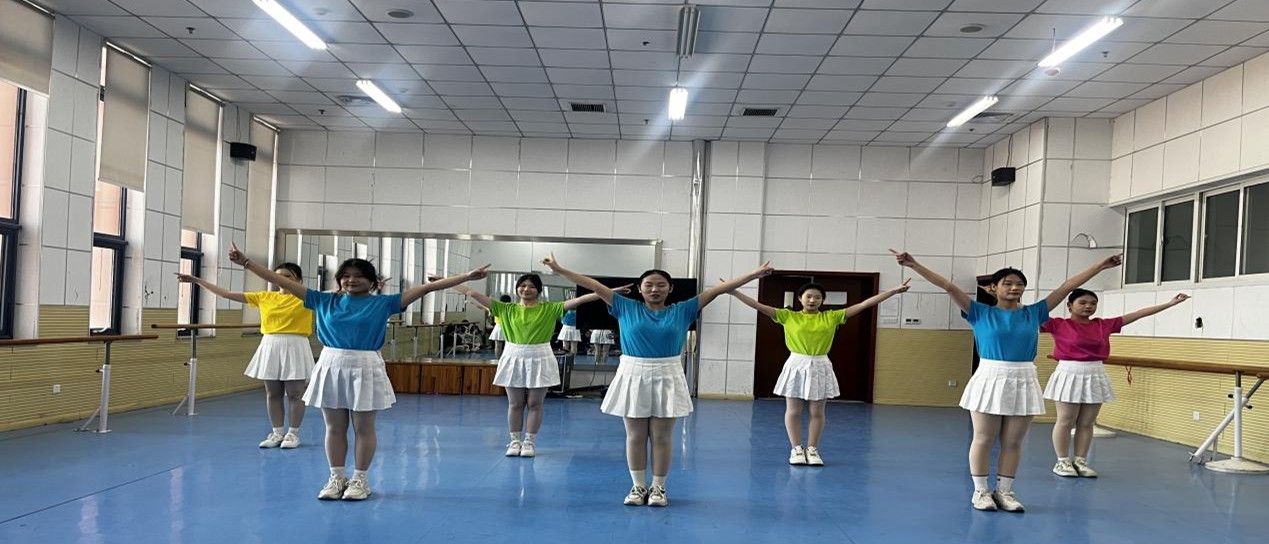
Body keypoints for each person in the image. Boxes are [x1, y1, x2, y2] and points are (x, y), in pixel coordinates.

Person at [228, 241, 488, 501]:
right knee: (334, 427)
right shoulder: (322, 300)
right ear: (339, 279)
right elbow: (277, 279)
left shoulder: (385, 303)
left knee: (363, 427)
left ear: (372, 281)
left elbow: (427, 288)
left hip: (366, 365)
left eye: (359, 276)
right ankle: (336, 477)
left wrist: (467, 277)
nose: (351, 280)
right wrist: (246, 263)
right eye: (346, 276)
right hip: (331, 364)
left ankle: (360, 479)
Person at [891, 248, 1121, 513]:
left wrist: (1100, 266)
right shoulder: (978, 312)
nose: (1014, 288)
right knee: (984, 438)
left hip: (1023, 377)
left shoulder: (1034, 312)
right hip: (990, 377)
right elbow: (948, 286)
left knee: (1013, 441)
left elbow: (1067, 286)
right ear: (993, 288)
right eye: (1008, 283)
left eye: (1020, 284)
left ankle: (1005, 491)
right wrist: (914, 264)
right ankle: (980, 491)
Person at [543, 252, 773, 507]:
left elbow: (719, 289)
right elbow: (593, 285)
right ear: (640, 289)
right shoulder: (624, 306)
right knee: (635, 436)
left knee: (662, 437)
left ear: (670, 289)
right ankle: (638, 486)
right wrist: (559, 270)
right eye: (649, 285)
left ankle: (658, 488)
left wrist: (754, 274)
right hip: (633, 373)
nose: (655, 289)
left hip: (668, 374)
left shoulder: (684, 309)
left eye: (661, 285)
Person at [725, 279, 911, 466]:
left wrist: (894, 291)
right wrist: (734, 292)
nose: (812, 300)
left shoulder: (832, 317)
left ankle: (812, 449)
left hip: (821, 364)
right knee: (794, 410)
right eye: (808, 296)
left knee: (817, 411)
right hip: (796, 364)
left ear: (822, 300)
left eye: (817, 297)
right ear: (800, 298)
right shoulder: (787, 316)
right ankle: (796, 449)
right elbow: (758, 305)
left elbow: (864, 304)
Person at [453, 277, 625, 458]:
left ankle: (529, 442)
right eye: (522, 286)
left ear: (539, 290)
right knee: (515, 403)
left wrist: (610, 292)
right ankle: (515, 441)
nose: (526, 289)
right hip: (513, 356)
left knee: (535, 403)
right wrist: (445, 281)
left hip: (540, 356)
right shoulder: (505, 308)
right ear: (517, 289)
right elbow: (471, 292)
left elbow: (582, 299)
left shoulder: (550, 308)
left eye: (531, 286)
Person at [1043, 289, 1190, 478]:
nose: (1088, 306)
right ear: (1070, 305)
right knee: (1066, 419)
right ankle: (1062, 461)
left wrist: (1170, 303)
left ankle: (1080, 460)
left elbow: (1138, 314)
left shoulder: (1103, 325)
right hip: (1069, 372)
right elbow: (1027, 313)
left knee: (1086, 422)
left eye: (1093, 303)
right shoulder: (1058, 324)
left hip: (1095, 373)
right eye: (1083, 302)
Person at [175, 264, 314, 449]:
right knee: (273, 393)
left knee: (295, 394)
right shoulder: (264, 297)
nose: (281, 279)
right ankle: (277, 432)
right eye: (278, 275)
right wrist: (195, 280)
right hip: (271, 344)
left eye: (287, 276)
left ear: (298, 280)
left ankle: (293, 434)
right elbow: (226, 294)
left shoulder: (307, 297)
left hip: (296, 345)